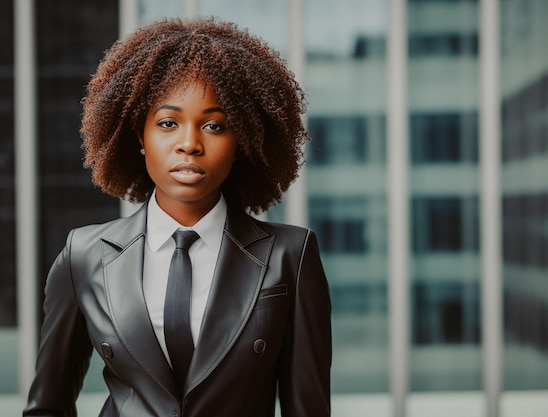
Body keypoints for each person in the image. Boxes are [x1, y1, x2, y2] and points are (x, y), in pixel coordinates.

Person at [23, 17, 331, 417]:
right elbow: (47, 406)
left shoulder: (291, 256)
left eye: (214, 126)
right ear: (139, 133)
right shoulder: (83, 255)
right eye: (168, 123)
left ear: (242, 141)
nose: (189, 144)